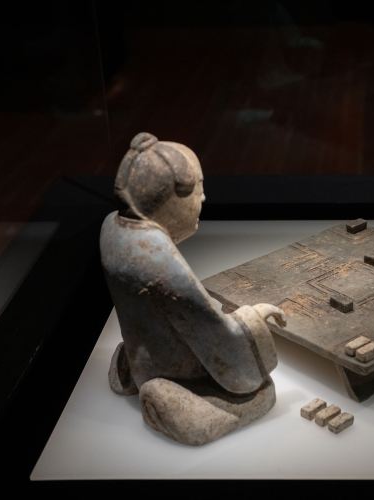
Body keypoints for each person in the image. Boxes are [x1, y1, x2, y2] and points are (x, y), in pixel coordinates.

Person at [101, 132, 286, 445]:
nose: (203, 199)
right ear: (172, 197)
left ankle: (135, 372)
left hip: (142, 354)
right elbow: (213, 330)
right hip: (176, 371)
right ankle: (167, 396)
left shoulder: (112, 226)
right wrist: (253, 319)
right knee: (263, 393)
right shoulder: (157, 258)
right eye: (198, 189)